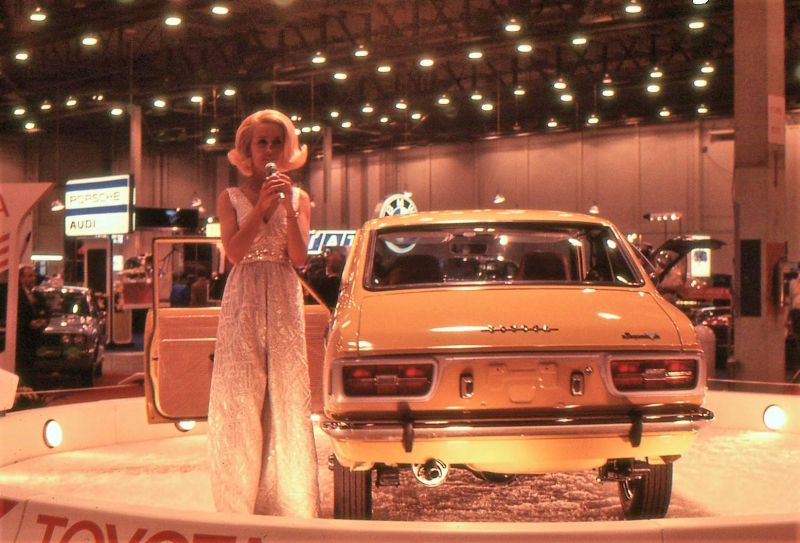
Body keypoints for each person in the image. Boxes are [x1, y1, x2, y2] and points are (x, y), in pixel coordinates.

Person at [207, 109, 319, 517]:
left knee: (287, 392)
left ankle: (289, 502)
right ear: (247, 150)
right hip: (244, 297)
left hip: (285, 293)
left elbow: (299, 257)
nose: (269, 150)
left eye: (276, 142)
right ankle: (238, 502)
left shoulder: (300, 198)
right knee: (240, 393)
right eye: (262, 142)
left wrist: (286, 208)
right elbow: (235, 253)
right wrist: (260, 209)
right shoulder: (229, 197)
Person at [16, 265, 48, 390]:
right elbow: (14, 316)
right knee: (23, 370)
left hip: (35, 341)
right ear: (21, 278)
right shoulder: (16, 295)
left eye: (33, 276)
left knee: (33, 370)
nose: (32, 279)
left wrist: (44, 321)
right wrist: (28, 324)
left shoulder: (38, 295)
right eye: (29, 276)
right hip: (21, 341)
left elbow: (47, 311)